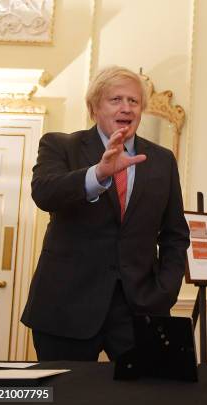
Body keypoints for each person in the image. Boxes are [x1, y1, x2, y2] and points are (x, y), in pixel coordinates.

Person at [21, 66, 190, 361]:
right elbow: (45, 193)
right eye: (116, 100)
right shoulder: (60, 145)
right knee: (66, 398)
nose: (126, 108)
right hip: (66, 307)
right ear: (94, 107)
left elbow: (175, 234)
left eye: (134, 101)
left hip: (140, 309)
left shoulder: (162, 160)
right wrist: (98, 174)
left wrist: (164, 292)